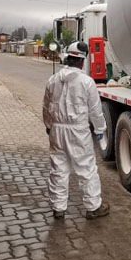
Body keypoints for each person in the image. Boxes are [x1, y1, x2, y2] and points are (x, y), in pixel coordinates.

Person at [42, 42, 109, 220]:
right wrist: (100, 129)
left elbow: (46, 106)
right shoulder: (87, 82)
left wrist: (48, 125)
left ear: (67, 58)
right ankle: (93, 207)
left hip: (57, 130)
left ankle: (58, 208)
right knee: (86, 168)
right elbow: (95, 110)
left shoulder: (53, 80)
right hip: (78, 131)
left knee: (58, 169)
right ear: (82, 61)